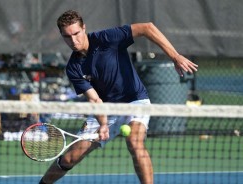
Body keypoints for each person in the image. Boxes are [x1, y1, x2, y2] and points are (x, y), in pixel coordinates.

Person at [39, 10, 198, 184]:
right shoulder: (73, 67)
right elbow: (94, 99)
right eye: (67, 36)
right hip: (106, 108)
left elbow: (147, 28)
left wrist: (175, 56)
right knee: (71, 157)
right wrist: (103, 124)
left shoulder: (107, 38)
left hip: (135, 101)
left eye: (76, 33)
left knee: (134, 142)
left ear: (84, 28)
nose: (73, 40)